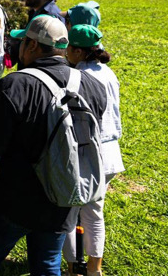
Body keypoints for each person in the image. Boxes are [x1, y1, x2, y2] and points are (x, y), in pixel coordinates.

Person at [0, 15, 107, 276]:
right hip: (63, 197)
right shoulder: (92, 86)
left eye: (22, 42)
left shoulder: (11, 86)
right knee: (46, 264)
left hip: (11, 201)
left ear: (31, 46)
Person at [62, 25, 124, 276]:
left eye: (68, 47)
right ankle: (94, 269)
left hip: (87, 151)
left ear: (77, 51)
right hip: (111, 153)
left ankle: (71, 269)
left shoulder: (77, 76)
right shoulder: (108, 72)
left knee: (68, 212)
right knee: (94, 213)